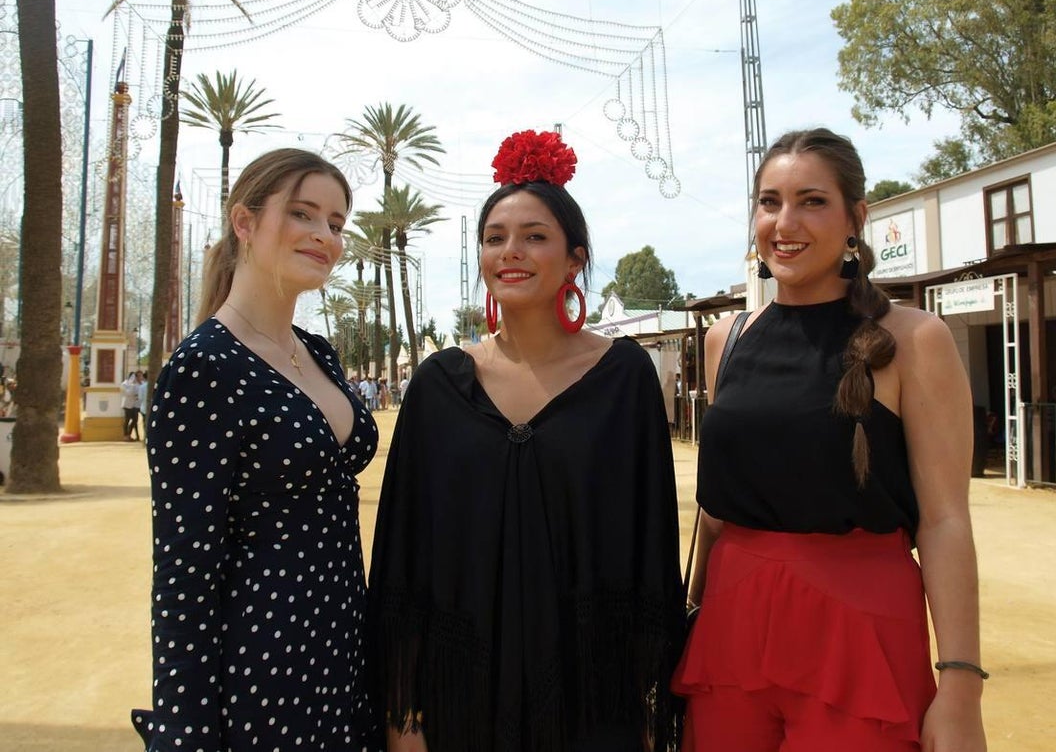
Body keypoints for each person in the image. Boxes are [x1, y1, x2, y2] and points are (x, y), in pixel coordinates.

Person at [365, 129, 684, 752]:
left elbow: (648, 547)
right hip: (463, 698)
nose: (510, 252)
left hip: (591, 701)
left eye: (535, 236)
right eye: (495, 237)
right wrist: (405, 715)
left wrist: (647, 701)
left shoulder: (624, 380)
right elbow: (405, 554)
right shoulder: (437, 388)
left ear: (574, 259)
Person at [673, 128, 986, 752]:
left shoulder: (915, 339)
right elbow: (716, 510)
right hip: (731, 628)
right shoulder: (724, 339)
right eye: (769, 202)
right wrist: (692, 614)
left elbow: (946, 521)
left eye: (812, 201)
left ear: (856, 219)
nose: (785, 222)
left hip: (861, 628)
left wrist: (960, 690)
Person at [131, 149, 381, 751]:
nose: (325, 236)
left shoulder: (318, 353)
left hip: (343, 660)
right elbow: (184, 575)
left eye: (337, 223)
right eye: (303, 214)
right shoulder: (203, 368)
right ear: (244, 223)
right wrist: (186, 733)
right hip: (262, 681)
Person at [121, 371, 142, 440]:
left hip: (133, 405)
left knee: (135, 420)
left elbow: (137, 393)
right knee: (127, 420)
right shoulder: (124, 384)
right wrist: (132, 386)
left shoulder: (135, 385)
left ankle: (129, 434)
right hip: (126, 404)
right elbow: (128, 393)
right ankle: (125, 435)